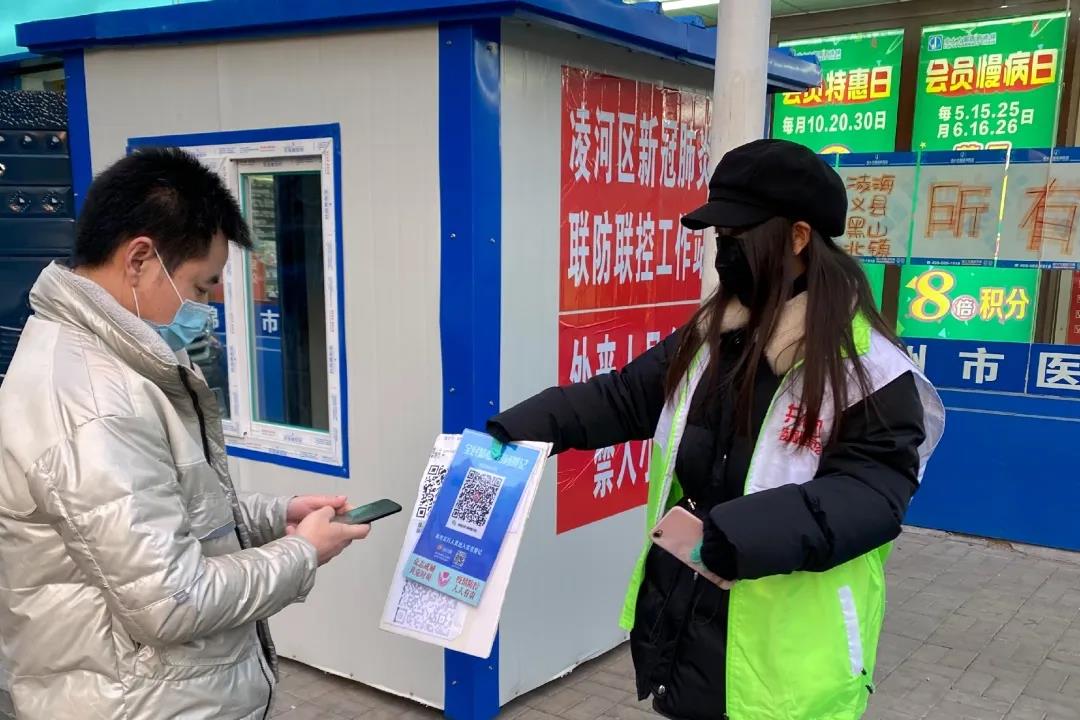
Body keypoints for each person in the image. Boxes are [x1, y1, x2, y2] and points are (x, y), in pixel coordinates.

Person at [488, 139, 945, 720]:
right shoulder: (713, 336)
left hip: (785, 664)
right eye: (719, 238)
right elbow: (623, 397)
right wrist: (518, 430)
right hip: (687, 621)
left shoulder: (866, 368)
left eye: (737, 238)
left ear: (798, 237)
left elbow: (872, 494)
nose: (723, 255)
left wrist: (741, 535)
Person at [0, 148, 369, 719]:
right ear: (139, 259)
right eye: (201, 287)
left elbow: (156, 507)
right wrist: (302, 553)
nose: (205, 308)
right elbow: (172, 601)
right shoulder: (96, 404)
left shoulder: (103, 363)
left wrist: (272, 516)